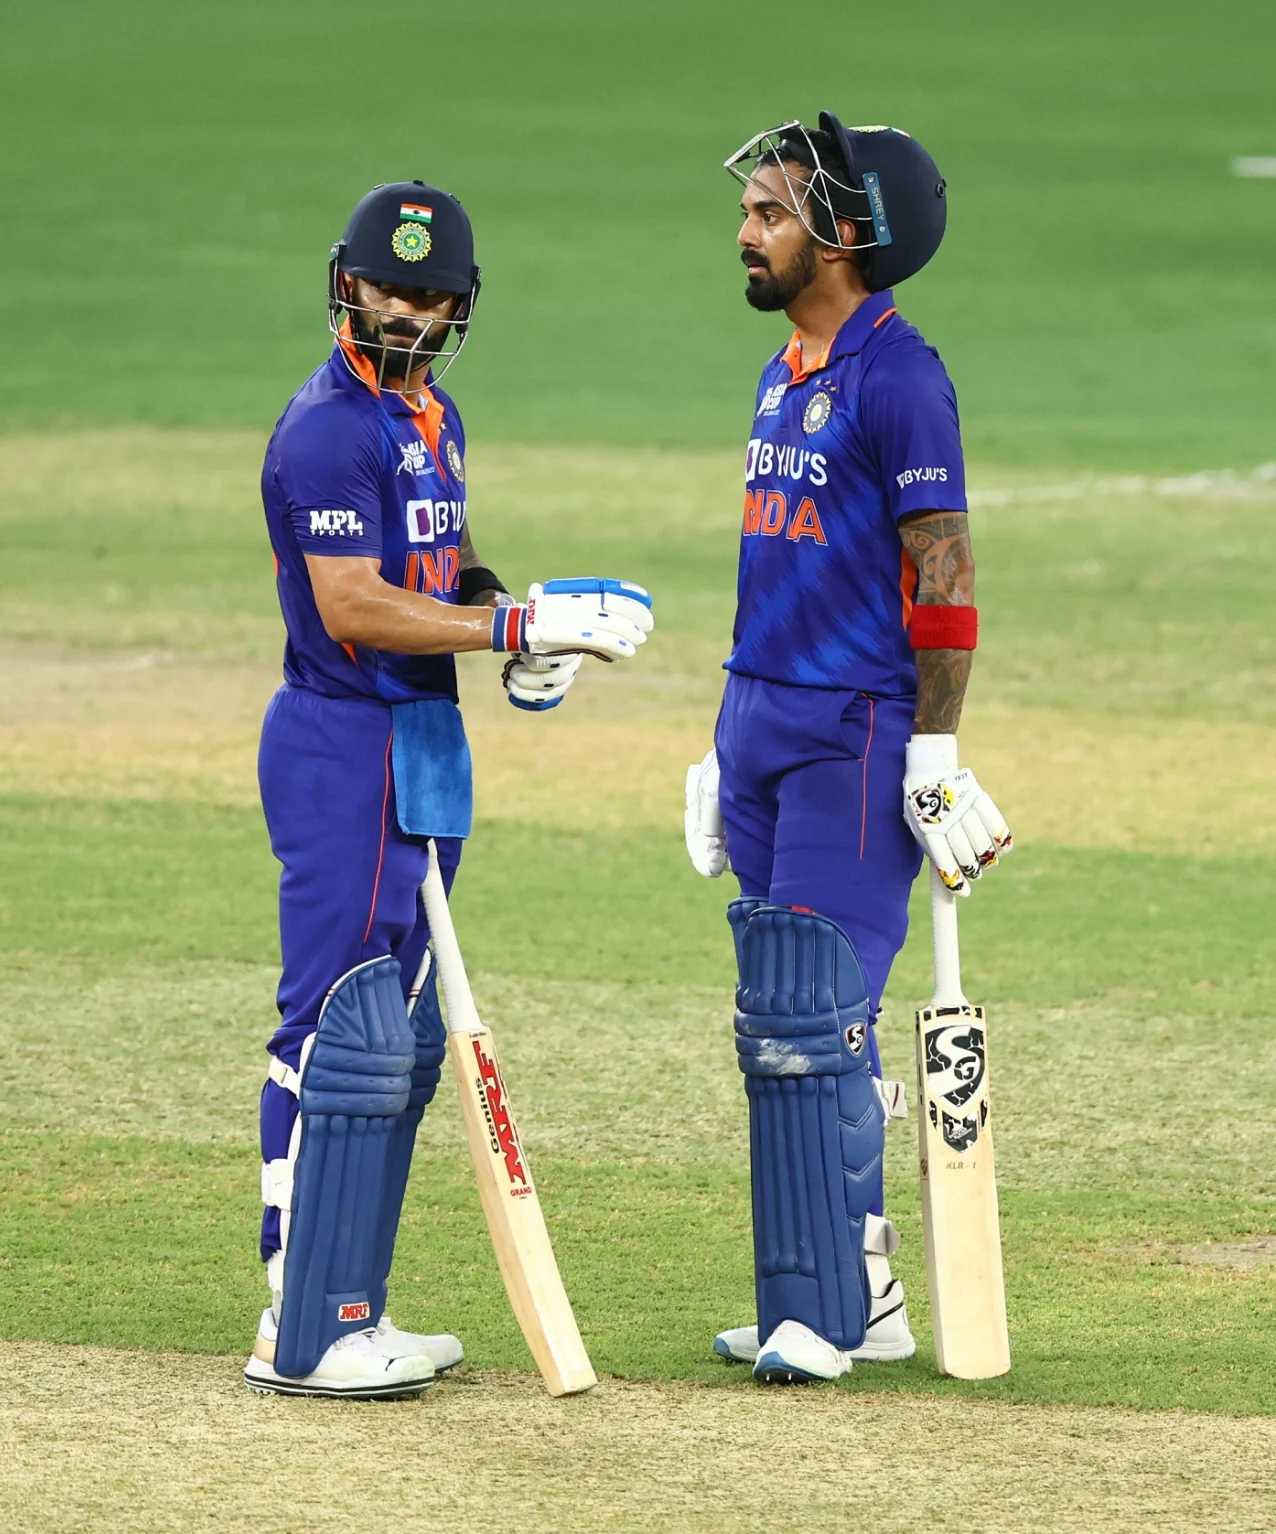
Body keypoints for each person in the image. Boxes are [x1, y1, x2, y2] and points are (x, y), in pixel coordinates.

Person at [244, 180, 653, 1399]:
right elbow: (353, 602)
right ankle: (297, 1314)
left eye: (430, 295)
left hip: (422, 735)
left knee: (400, 1038)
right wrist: (512, 622)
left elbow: (435, 567)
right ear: (345, 283)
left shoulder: (434, 418)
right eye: (388, 288)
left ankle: (349, 1302)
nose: (406, 313)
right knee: (337, 1024)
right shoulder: (328, 427)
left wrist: (513, 625)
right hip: (343, 739)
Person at [684, 116, 1011, 1383]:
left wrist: (932, 747)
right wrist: (722, 739)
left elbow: (944, 574)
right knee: (785, 1020)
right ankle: (853, 1289)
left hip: (854, 732)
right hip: (761, 720)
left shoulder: (898, 375)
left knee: (815, 1021)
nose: (745, 230)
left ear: (845, 234)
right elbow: (775, 558)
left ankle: (823, 1308)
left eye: (769, 212)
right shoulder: (785, 365)